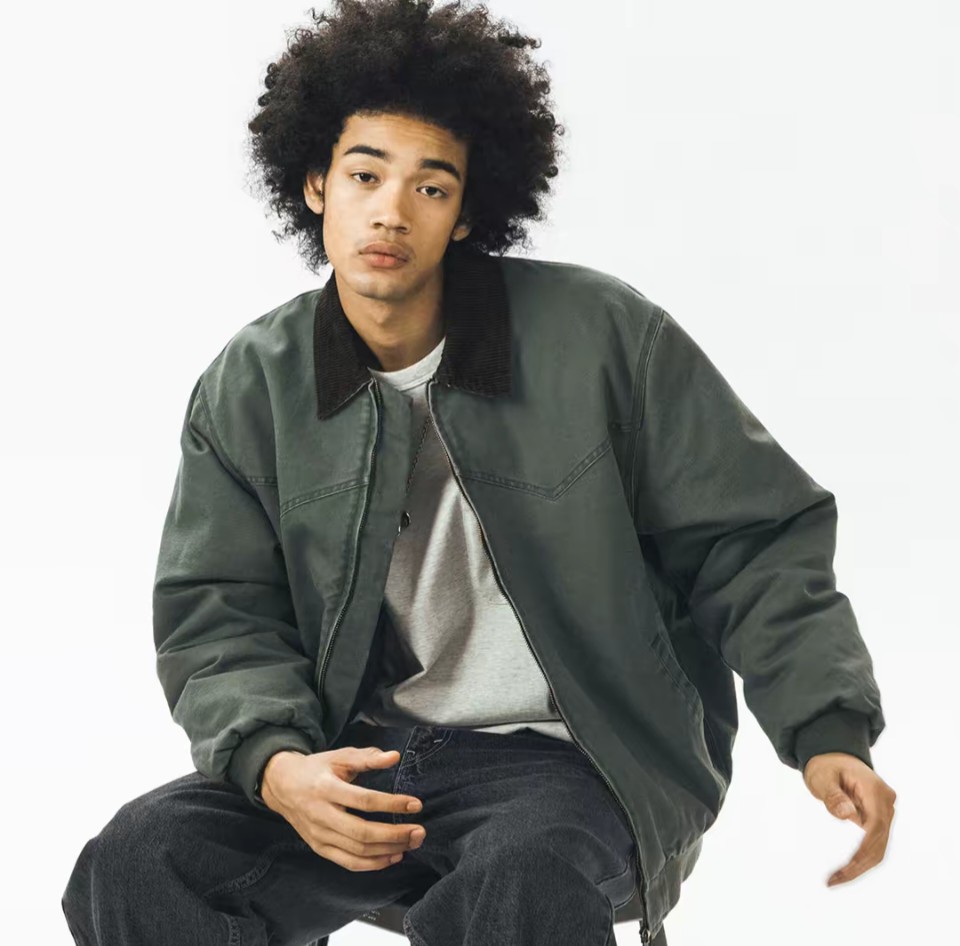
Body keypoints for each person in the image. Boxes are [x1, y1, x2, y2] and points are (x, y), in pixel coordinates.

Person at [61, 1, 895, 944]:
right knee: (140, 859)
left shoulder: (603, 338)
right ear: (315, 185)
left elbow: (749, 540)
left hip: (569, 763)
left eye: (431, 186)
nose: (391, 210)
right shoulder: (253, 387)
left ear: (466, 215)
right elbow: (220, 610)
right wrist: (277, 765)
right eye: (365, 174)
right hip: (359, 754)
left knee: (521, 878)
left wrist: (826, 727)